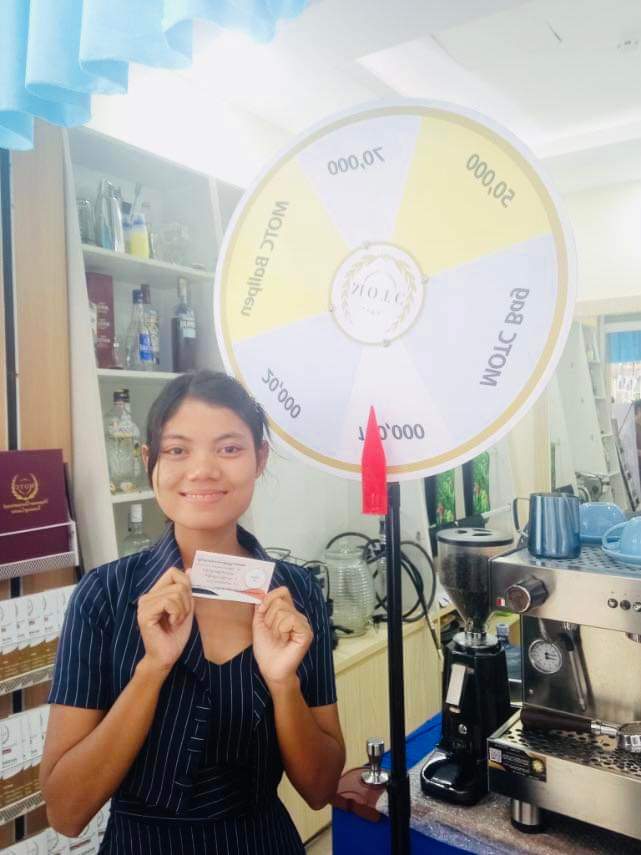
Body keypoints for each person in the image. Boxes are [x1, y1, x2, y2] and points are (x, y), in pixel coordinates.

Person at [41, 370, 345, 853]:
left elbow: (321, 788)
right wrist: (152, 669)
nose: (202, 470)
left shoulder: (297, 593)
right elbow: (66, 811)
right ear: (150, 461)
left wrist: (283, 683)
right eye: (178, 450)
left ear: (260, 458)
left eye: (229, 448)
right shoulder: (104, 596)